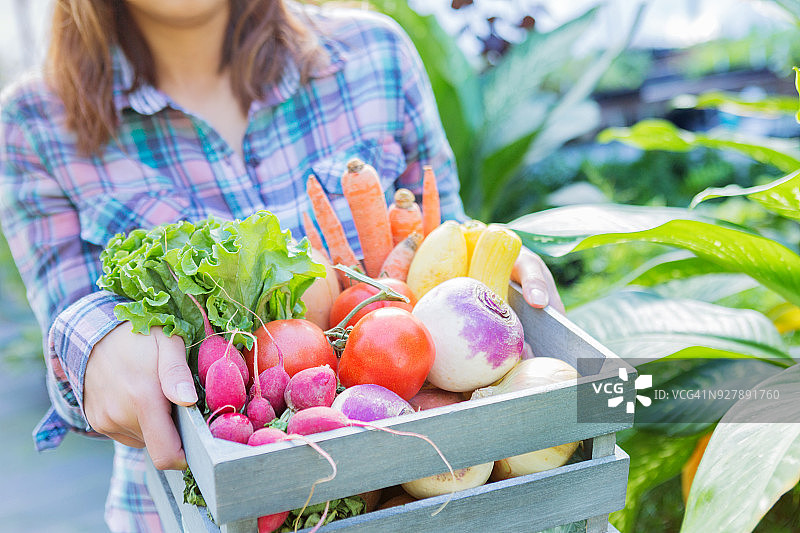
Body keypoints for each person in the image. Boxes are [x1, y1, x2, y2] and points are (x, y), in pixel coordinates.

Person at [0, 0, 563, 531]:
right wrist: (95, 343)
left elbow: (445, 247)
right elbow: (69, 333)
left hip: (416, 500)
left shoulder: (377, 55)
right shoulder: (32, 123)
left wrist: (493, 271)